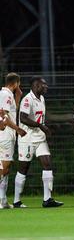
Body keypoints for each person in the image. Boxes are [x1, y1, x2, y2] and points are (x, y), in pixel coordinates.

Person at [13, 76, 63, 208]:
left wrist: (47, 127)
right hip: (27, 140)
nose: (46, 87)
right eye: (43, 85)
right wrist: (40, 126)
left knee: (47, 165)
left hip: (40, 139)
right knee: (23, 168)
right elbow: (23, 118)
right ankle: (17, 200)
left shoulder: (42, 98)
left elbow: (41, 118)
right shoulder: (27, 100)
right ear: (36, 86)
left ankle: (47, 199)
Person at [0, 72, 26, 209]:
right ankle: (2, 200)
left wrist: (18, 95)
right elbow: (3, 116)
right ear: (15, 83)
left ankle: (3, 201)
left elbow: (11, 111)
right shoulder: (5, 94)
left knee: (5, 168)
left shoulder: (8, 95)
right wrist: (18, 129)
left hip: (6, 135)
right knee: (4, 168)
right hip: (4, 136)